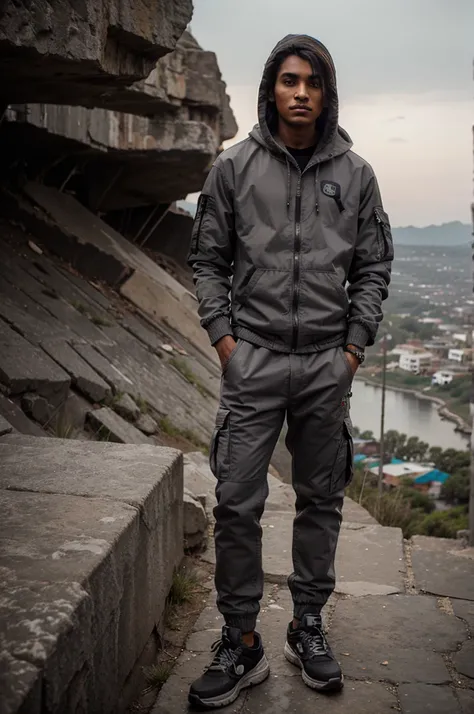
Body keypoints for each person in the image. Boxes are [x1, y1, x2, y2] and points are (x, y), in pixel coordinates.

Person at [187, 34, 393, 710]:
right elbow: (208, 262)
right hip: (254, 361)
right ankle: (240, 640)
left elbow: (372, 269)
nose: (300, 92)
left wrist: (352, 352)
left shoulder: (356, 175)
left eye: (312, 82)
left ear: (327, 93)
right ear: (271, 89)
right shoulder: (234, 168)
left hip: (325, 367)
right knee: (237, 503)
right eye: (288, 80)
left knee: (321, 500)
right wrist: (226, 343)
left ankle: (308, 625)